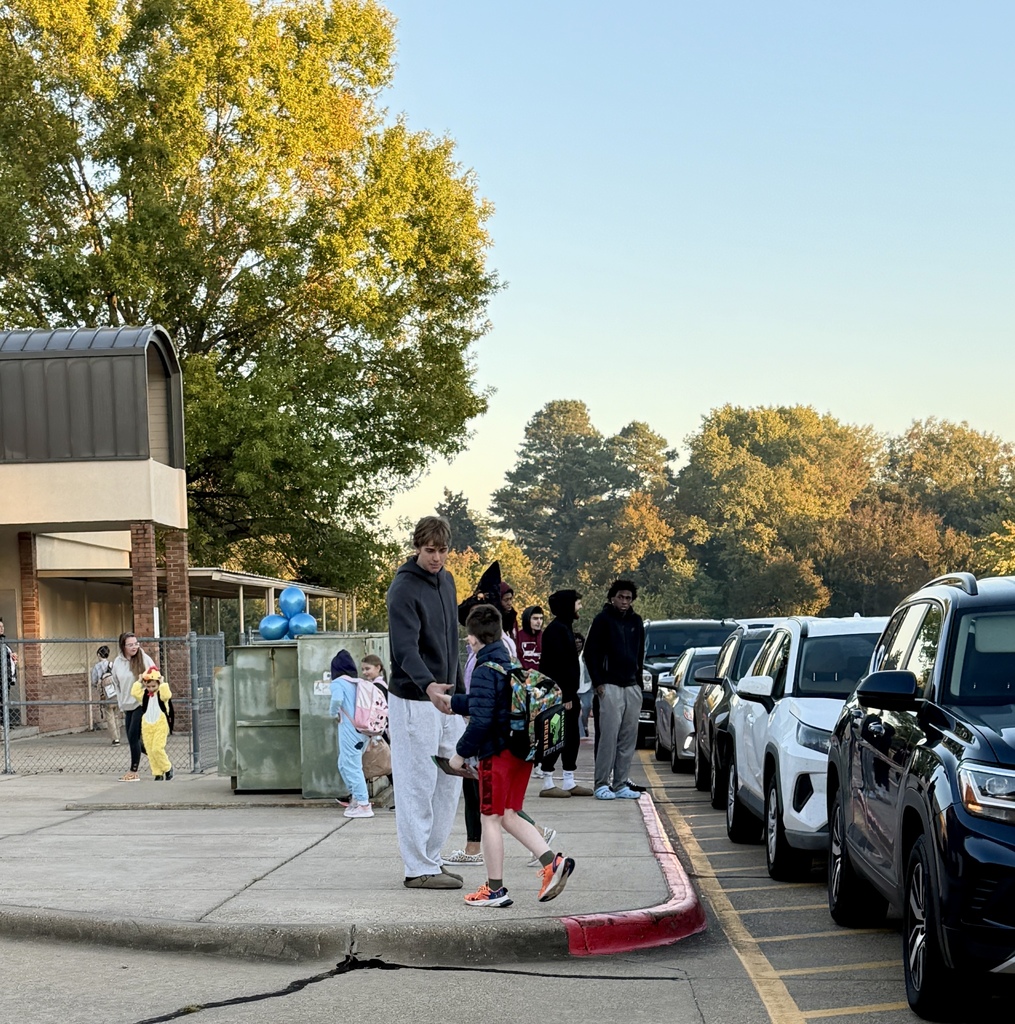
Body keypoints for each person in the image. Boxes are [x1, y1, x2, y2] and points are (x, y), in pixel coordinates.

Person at [447, 604, 575, 908]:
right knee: (509, 815)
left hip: (497, 754)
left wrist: (459, 755)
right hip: (522, 753)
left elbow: (481, 720)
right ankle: (551, 863)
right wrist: (453, 702)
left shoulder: (481, 669)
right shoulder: (510, 664)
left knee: (489, 818)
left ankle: (495, 890)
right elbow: (492, 703)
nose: (467, 641)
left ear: (476, 638)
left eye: (468, 636)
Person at [386, 515, 467, 890]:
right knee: (417, 782)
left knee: (451, 778)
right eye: (429, 551)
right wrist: (429, 685)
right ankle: (417, 867)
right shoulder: (403, 588)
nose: (436, 558)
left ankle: (432, 859)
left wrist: (460, 693)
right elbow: (404, 648)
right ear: (417, 548)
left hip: (448, 696)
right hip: (414, 697)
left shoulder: (447, 581)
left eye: (442, 551)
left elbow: (452, 641)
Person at [584, 580, 645, 801]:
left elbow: (640, 653)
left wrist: (639, 683)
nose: (625, 602)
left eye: (628, 598)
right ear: (612, 597)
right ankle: (601, 783)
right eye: (621, 597)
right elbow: (590, 654)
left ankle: (620, 783)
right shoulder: (602, 620)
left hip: (631, 685)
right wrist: (599, 684)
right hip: (609, 685)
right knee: (608, 737)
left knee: (628, 738)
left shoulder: (636, 622)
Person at [535, 590, 592, 798]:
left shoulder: (565, 628)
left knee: (571, 738)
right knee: (554, 736)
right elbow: (557, 667)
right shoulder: (555, 631)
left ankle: (569, 780)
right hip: (559, 696)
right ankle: (548, 782)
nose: (580, 607)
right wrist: (565, 695)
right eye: (577, 603)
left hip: (569, 694)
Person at [329, 649, 374, 819]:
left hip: (349, 729)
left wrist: (333, 713)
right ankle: (357, 797)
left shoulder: (338, 683)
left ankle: (363, 804)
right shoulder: (358, 683)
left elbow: (336, 700)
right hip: (363, 730)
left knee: (352, 766)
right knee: (344, 763)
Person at [111, 632, 154, 782]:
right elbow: (117, 684)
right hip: (127, 704)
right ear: (123, 646)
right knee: (131, 738)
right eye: (130, 644)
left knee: (134, 735)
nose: (134, 647)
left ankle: (133, 772)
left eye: (136, 643)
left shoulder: (144, 659)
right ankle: (160, 760)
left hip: (141, 703)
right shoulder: (117, 662)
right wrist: (120, 703)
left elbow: (155, 677)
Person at [130, 666, 173, 781]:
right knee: (149, 749)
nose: (151, 689)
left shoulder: (161, 694)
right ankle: (157, 772)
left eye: (153, 686)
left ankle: (167, 768)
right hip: (147, 724)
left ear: (158, 684)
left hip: (160, 723)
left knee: (157, 748)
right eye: (148, 686)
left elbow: (167, 695)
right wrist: (139, 681)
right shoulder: (144, 695)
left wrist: (163, 683)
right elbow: (134, 692)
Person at [90, 645, 120, 744]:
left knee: (109, 715)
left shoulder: (97, 667)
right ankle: (118, 735)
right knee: (116, 715)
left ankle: (115, 738)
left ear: (99, 654)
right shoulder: (112, 664)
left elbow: (94, 681)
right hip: (116, 693)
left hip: (106, 694)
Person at [575, 631, 594, 739]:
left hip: (586, 686)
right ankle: (580, 733)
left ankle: (584, 725)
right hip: (575, 688)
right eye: (575, 642)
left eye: (579, 642)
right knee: (576, 711)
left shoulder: (586, 654)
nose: (577, 644)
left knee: (586, 707)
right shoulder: (569, 655)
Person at [516, 605, 544, 671]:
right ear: (528, 619)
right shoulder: (518, 637)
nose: (539, 622)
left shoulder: (544, 637)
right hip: (522, 675)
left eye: (541, 618)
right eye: (535, 618)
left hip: (541, 676)